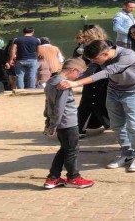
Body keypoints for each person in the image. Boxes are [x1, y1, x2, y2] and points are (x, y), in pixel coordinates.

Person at [58, 40, 135, 172]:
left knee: (134, 124)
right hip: (113, 91)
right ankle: (127, 154)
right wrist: (63, 78)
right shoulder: (100, 58)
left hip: (132, 92)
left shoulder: (127, 55)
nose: (93, 61)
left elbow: (105, 73)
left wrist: (76, 84)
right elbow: (88, 71)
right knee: (117, 125)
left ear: (105, 54)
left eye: (95, 59)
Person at [42, 58, 95, 189]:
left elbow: (48, 103)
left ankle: (53, 178)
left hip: (61, 122)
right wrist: (52, 125)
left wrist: (49, 120)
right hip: (67, 123)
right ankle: (73, 177)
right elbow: (59, 107)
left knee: (65, 149)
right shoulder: (63, 84)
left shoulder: (51, 81)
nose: (78, 77)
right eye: (80, 73)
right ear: (72, 70)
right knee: (72, 150)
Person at [73, 25, 111, 137]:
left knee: (99, 101)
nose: (84, 38)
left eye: (87, 35)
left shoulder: (106, 44)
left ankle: (107, 123)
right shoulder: (83, 46)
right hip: (91, 77)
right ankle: (81, 127)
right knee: (88, 101)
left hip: (103, 77)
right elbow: (78, 59)